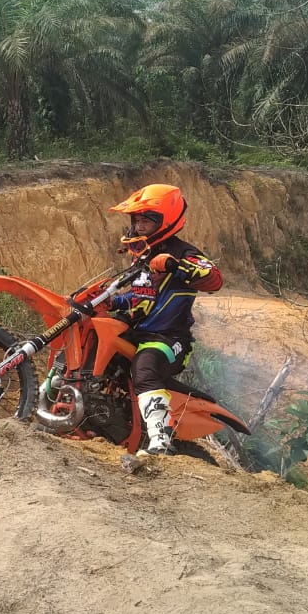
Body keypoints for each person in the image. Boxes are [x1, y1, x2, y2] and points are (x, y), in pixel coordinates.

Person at [108, 183, 223, 457]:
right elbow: (140, 299)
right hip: (135, 332)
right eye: (136, 219)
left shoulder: (183, 252)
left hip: (169, 340)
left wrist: (176, 265)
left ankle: (161, 442)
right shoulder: (142, 255)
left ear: (165, 221)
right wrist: (112, 302)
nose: (139, 225)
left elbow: (215, 279)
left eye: (146, 219)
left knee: (145, 368)